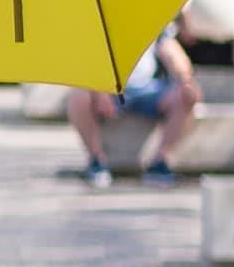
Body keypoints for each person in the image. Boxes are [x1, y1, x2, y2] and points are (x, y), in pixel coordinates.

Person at [67, 14, 199, 186]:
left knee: (189, 94)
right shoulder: (98, 20)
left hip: (148, 89)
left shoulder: (151, 18)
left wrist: (184, 79)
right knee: (79, 97)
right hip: (109, 88)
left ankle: (160, 162)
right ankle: (96, 161)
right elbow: (87, 58)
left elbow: (171, 50)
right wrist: (99, 90)